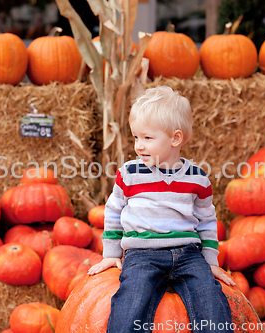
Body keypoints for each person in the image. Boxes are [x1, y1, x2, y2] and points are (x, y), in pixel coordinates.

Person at [88, 85, 236, 333]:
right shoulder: (130, 174)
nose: (139, 146)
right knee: (131, 302)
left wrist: (210, 261)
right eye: (136, 137)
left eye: (147, 138)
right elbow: (113, 212)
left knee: (211, 300)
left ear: (175, 138)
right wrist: (111, 254)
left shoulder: (197, 179)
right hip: (142, 255)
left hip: (189, 254)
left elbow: (207, 221)